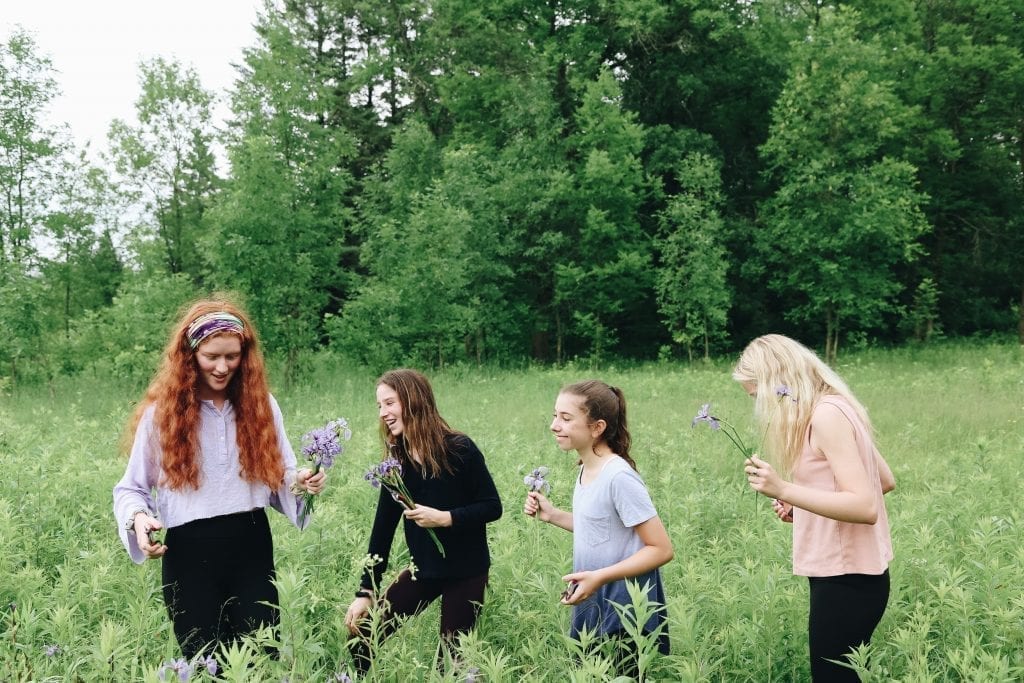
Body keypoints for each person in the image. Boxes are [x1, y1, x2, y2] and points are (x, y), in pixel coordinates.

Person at [112, 297, 326, 660]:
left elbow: (280, 473)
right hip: (189, 553)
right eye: (212, 356)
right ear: (190, 354)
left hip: (251, 547)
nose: (223, 366)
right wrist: (138, 520)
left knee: (259, 660)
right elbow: (131, 488)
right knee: (203, 661)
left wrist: (301, 479)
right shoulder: (161, 416)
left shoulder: (261, 407)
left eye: (233, 356)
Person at [733, 334, 895, 682]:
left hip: (847, 577)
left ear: (777, 381)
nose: (759, 407)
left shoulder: (827, 416)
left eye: (756, 395)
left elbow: (866, 504)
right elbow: (882, 481)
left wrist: (784, 488)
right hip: (850, 575)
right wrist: (800, 505)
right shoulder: (836, 406)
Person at [344, 368, 502, 675]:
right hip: (424, 570)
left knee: (453, 664)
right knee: (362, 638)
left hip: (466, 572)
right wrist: (366, 591)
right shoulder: (396, 463)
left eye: (389, 403)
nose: (383, 413)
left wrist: (446, 518)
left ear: (413, 400)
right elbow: (382, 532)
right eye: (379, 406)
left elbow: (492, 507)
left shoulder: (460, 449)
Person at [523, 380, 673, 678]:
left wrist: (599, 576)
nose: (555, 425)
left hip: (627, 610)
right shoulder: (586, 467)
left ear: (597, 427)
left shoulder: (618, 476)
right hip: (595, 600)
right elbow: (600, 530)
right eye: (555, 416)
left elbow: (662, 549)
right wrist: (553, 515)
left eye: (566, 418)